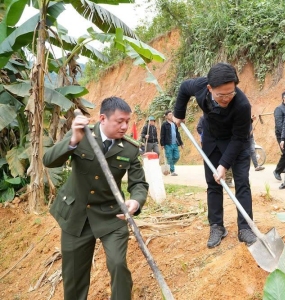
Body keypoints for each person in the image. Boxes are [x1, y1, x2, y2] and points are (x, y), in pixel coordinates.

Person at [43, 96, 149, 300]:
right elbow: (49, 161)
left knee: (118, 264)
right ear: (103, 118)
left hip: (111, 215)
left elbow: (139, 184)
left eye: (127, 121)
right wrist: (73, 139)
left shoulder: (129, 148)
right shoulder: (82, 135)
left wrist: (135, 202)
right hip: (76, 216)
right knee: (74, 277)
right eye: (120, 121)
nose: (125, 126)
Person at [172, 62, 257, 248]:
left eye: (231, 92)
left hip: (237, 142)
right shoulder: (201, 87)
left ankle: (246, 228)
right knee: (213, 183)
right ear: (210, 88)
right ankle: (217, 226)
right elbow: (185, 88)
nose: (227, 98)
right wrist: (179, 113)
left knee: (242, 183)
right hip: (212, 140)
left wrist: (224, 165)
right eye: (221, 94)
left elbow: (239, 138)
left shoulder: (242, 104)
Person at [197, 115, 234, 187]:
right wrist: (206, 133)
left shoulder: (222, 116)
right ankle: (216, 180)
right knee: (214, 165)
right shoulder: (203, 118)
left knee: (227, 162)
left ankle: (228, 180)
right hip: (209, 144)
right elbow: (199, 128)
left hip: (224, 143)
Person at [160, 110, 183, 176]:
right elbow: (162, 135)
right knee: (169, 157)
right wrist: (162, 144)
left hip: (175, 144)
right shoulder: (164, 125)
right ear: (166, 116)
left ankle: (169, 165)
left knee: (177, 157)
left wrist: (181, 143)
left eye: (171, 114)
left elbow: (177, 134)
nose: (171, 115)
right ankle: (172, 171)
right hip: (168, 144)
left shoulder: (174, 123)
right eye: (169, 115)